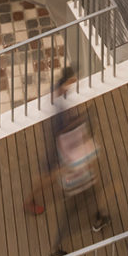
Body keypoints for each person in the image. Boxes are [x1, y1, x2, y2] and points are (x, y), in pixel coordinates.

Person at [51, 99, 108, 255]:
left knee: (69, 215)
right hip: (81, 183)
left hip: (68, 184)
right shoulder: (86, 145)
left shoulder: (62, 139)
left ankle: (99, 216)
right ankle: (99, 218)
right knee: (70, 216)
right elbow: (91, 162)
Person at [25, 66, 79, 217]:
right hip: (56, 142)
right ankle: (29, 200)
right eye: (72, 81)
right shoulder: (59, 102)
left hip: (57, 137)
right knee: (49, 174)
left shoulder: (58, 92)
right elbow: (60, 128)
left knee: (55, 171)